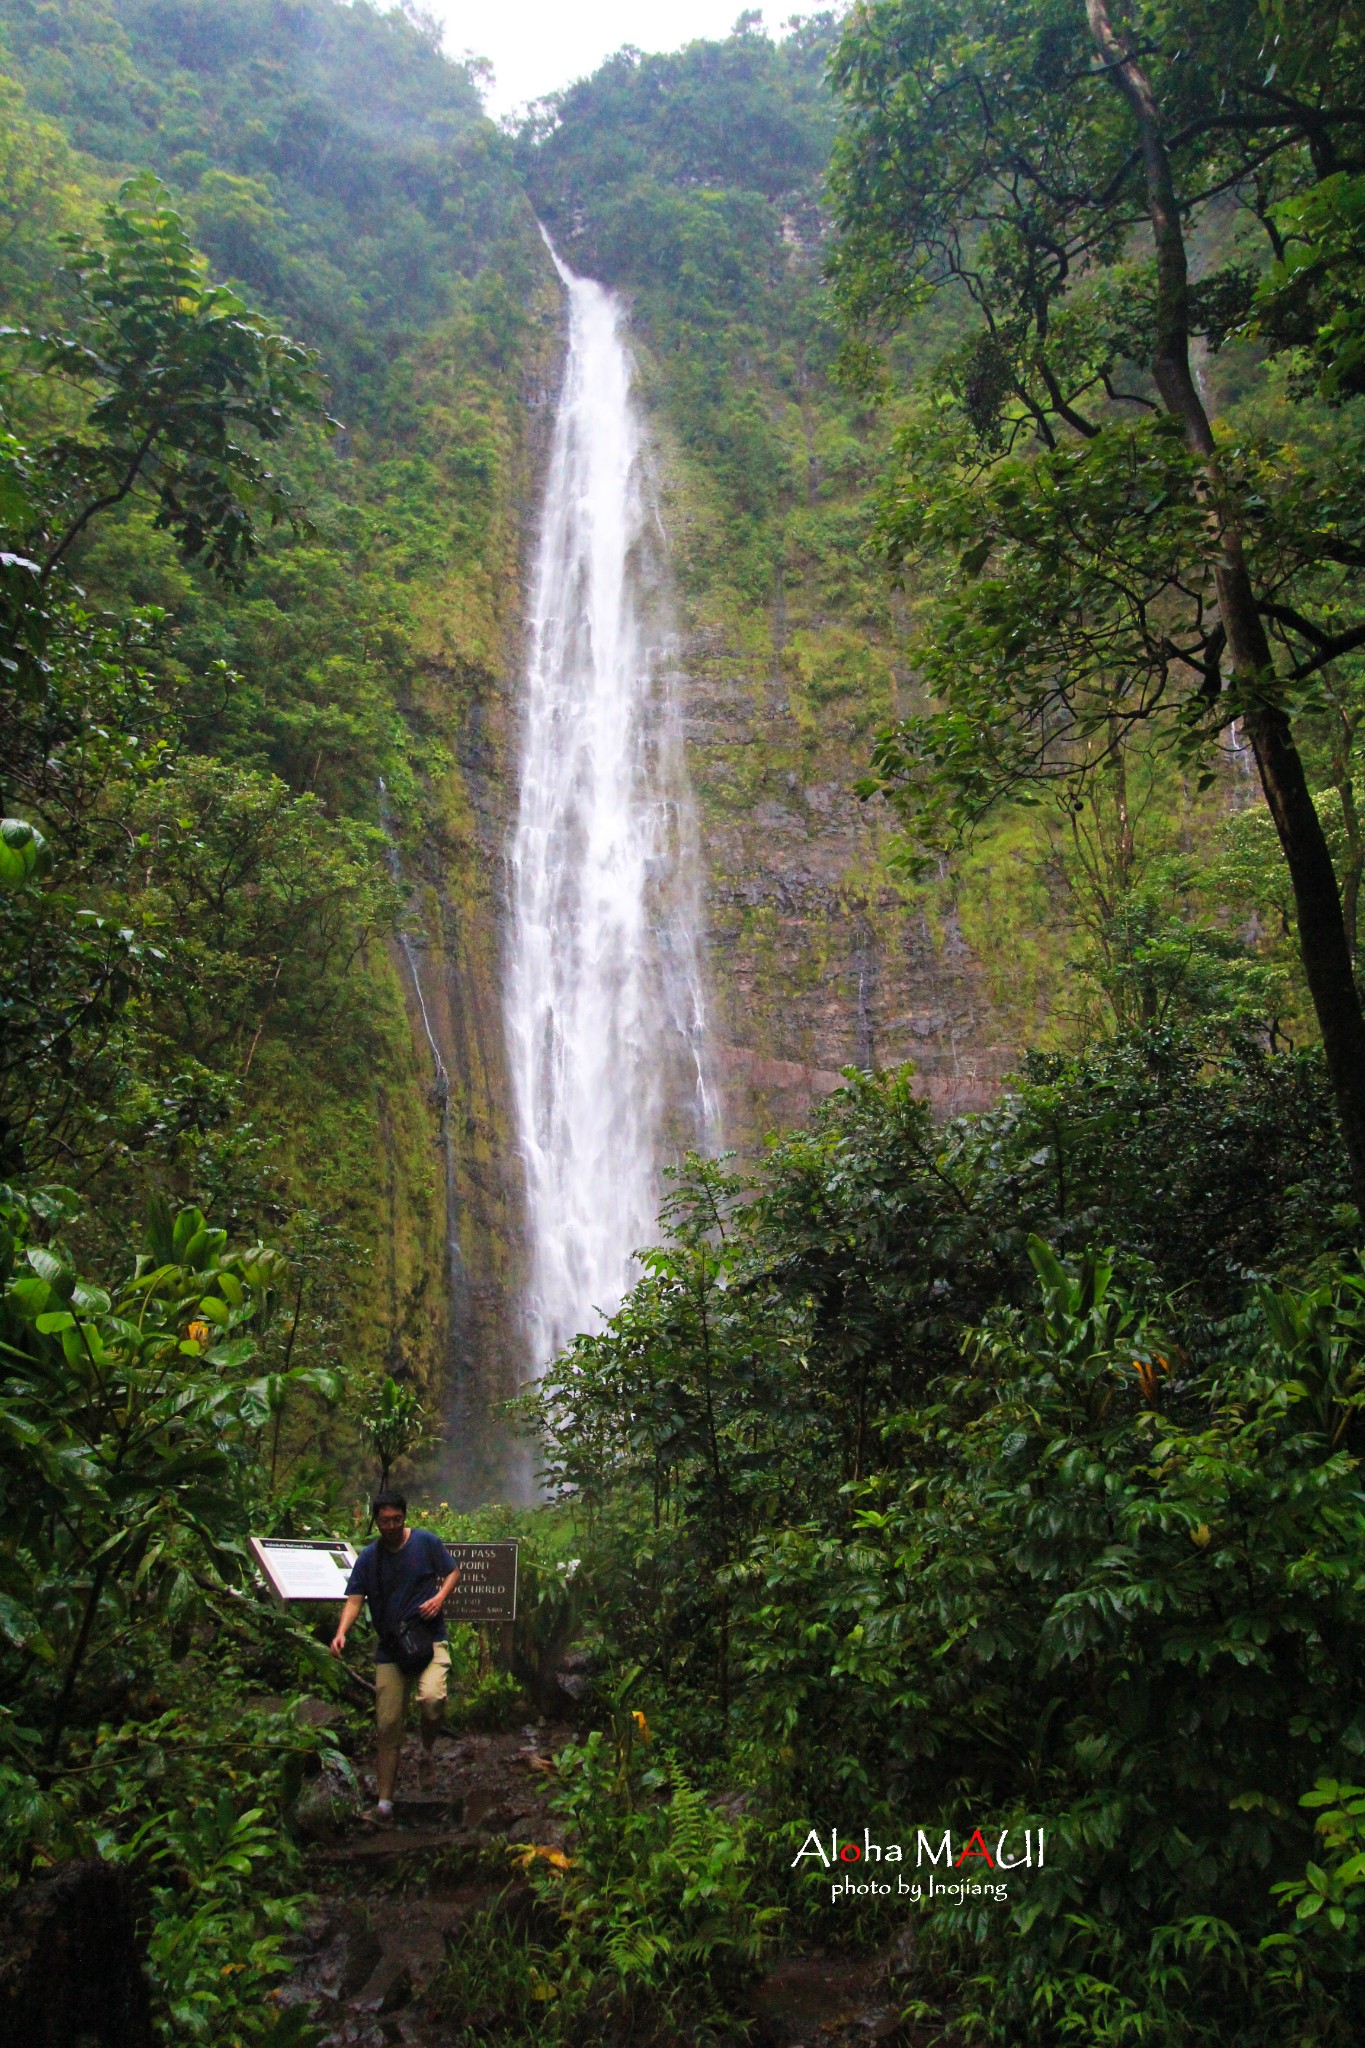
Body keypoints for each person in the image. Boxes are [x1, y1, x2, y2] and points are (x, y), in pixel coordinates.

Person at [331, 1489, 460, 1820]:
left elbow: (452, 1571)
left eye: (396, 1520)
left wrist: (440, 1597)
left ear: (405, 1516)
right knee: (387, 1724)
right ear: (376, 1520)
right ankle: (384, 1804)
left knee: (432, 1699)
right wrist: (342, 1631)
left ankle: (427, 1752)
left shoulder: (426, 1543)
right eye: (384, 1520)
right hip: (391, 1648)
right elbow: (355, 1598)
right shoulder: (369, 1559)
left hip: (429, 1639)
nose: (390, 1526)